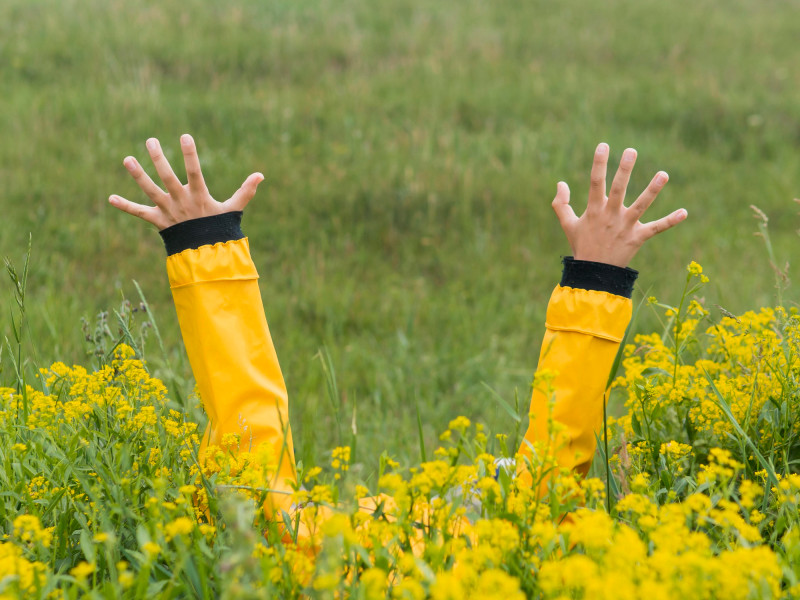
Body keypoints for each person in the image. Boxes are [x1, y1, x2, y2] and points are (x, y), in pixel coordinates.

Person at [108, 135, 687, 544]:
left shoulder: (304, 556)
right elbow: (551, 485)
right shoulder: (503, 551)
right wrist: (597, 278)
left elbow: (247, 468)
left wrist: (204, 246)